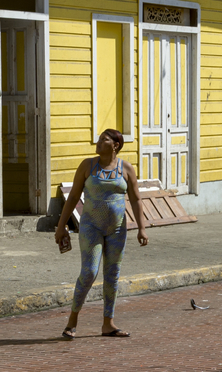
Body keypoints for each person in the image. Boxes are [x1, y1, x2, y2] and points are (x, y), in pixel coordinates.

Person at [55, 128, 148, 338]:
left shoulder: (126, 168)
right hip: (91, 228)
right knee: (89, 272)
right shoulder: (87, 166)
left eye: (104, 140)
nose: (98, 143)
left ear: (116, 145)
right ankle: (72, 320)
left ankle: (108, 323)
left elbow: (135, 199)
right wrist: (61, 226)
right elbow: (73, 197)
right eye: (98, 139)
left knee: (112, 274)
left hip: (117, 229)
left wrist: (142, 228)